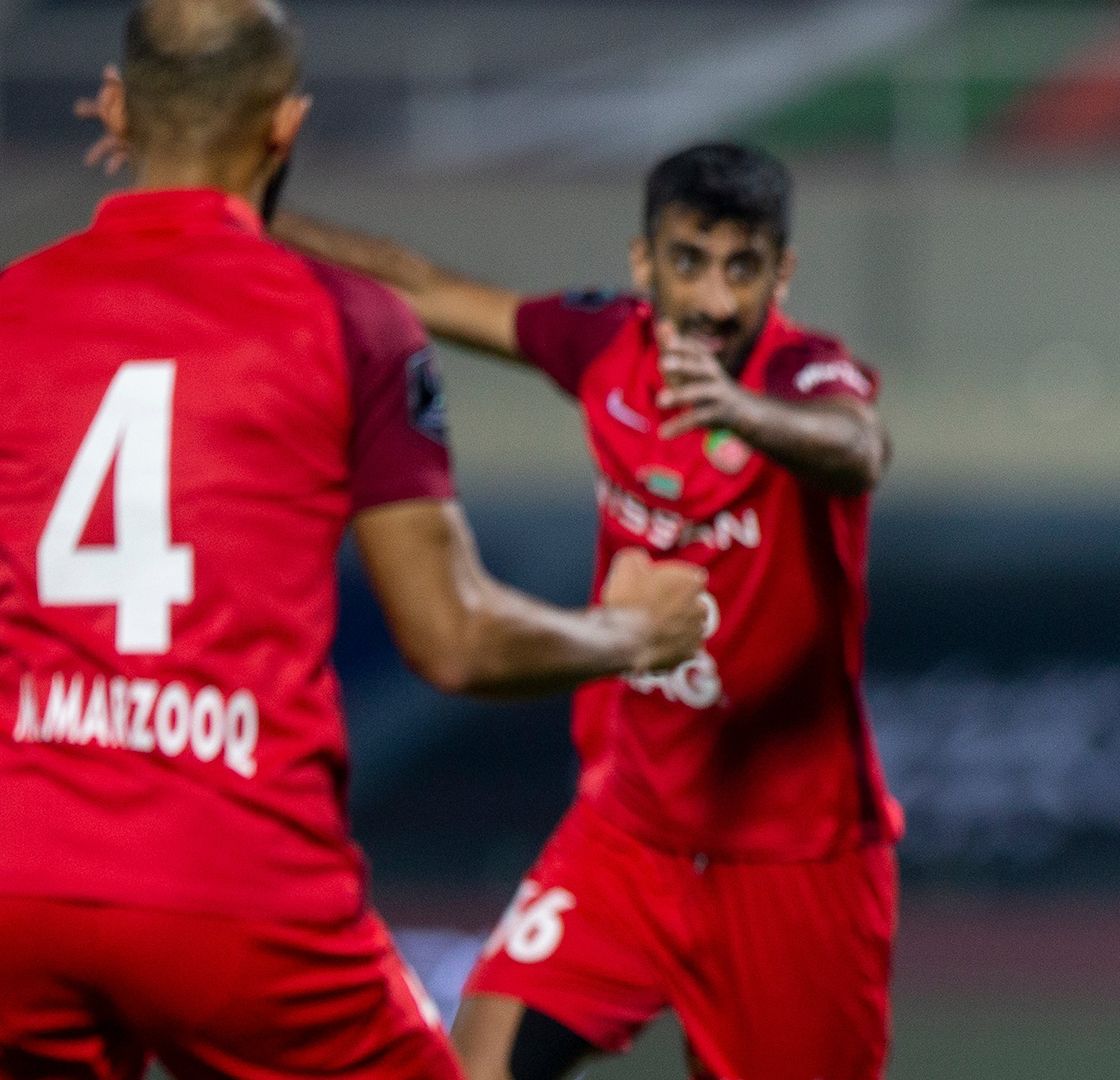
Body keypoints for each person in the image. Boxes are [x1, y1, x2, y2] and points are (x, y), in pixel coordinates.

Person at [0, 2, 710, 1076]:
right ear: (287, 127)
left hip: (20, 885)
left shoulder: (14, 309)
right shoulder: (350, 324)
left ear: (116, 107)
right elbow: (455, 638)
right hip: (237, 892)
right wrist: (629, 633)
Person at [267, 142, 900, 1080]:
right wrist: (240, 206)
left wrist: (741, 409)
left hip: (794, 861)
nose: (717, 301)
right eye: (690, 261)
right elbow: (423, 287)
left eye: (744, 267)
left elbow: (859, 447)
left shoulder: (804, 377)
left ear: (783, 271)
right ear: (643, 264)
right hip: (628, 839)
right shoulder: (603, 345)